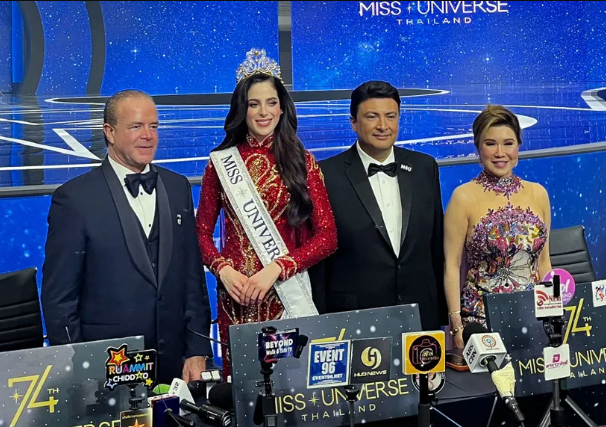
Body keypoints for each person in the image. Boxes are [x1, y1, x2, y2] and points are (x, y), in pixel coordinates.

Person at [41, 90, 213, 384]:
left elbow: (192, 277)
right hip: (107, 368)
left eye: (153, 126)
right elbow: (60, 299)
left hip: (175, 364)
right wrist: (78, 369)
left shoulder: (177, 187)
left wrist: (198, 349)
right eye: (136, 126)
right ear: (109, 132)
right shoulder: (74, 199)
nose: (148, 135)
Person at [195, 49, 337, 377]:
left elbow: (328, 236)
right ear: (241, 109)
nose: (263, 112)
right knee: (241, 386)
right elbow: (200, 232)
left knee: (289, 385)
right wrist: (222, 270)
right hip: (235, 297)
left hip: (285, 294)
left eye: (271, 102)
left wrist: (276, 268)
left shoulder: (302, 162)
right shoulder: (220, 163)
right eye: (253, 104)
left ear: (282, 107)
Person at [309, 80, 446, 331]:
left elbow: (436, 247)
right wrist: (319, 324)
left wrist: (442, 316)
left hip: (420, 317)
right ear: (353, 122)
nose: (383, 126)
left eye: (390, 116)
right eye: (372, 116)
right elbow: (319, 262)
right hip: (352, 319)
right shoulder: (325, 175)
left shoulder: (425, 167)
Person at [444, 105, 552, 348]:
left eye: (508, 143)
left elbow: (544, 262)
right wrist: (457, 327)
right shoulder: (463, 197)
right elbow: (452, 266)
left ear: (518, 145)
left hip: (533, 317)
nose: (500, 153)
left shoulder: (538, 193)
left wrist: (553, 315)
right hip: (482, 323)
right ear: (478, 147)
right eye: (490, 143)